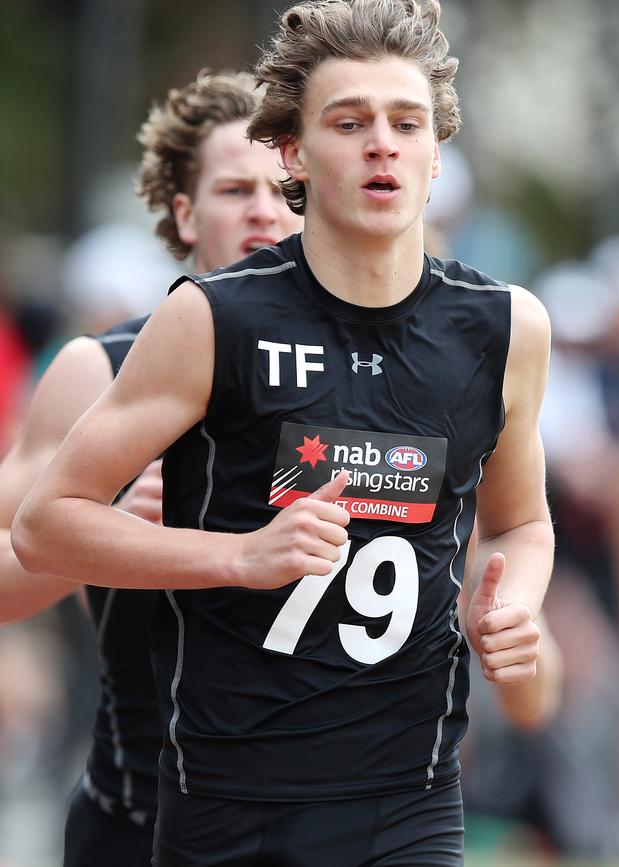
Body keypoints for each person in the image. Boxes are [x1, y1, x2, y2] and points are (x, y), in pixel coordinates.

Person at [13, 1, 554, 864]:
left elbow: (524, 525)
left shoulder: (501, 328)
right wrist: (227, 552)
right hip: (215, 799)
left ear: (436, 152)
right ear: (295, 152)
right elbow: (39, 528)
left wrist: (515, 606)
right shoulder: (198, 326)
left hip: (409, 799)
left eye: (405, 122)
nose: (382, 143)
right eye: (350, 122)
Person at [1, 69, 302, 867]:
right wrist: (95, 532)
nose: (265, 210)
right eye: (237, 188)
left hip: (326, 824)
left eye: (283, 188)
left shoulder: (360, 371)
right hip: (141, 820)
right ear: (183, 211)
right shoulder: (100, 371)